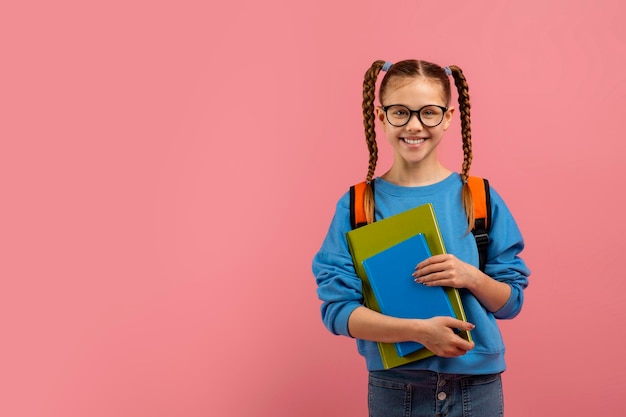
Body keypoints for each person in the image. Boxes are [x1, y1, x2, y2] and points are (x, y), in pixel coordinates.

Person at [312, 59, 530, 417]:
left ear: (448, 117)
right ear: (381, 117)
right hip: (397, 385)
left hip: (477, 385)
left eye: (428, 113)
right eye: (400, 112)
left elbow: (511, 303)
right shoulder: (357, 206)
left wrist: (470, 276)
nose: (414, 125)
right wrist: (418, 332)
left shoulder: (479, 197)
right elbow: (338, 311)